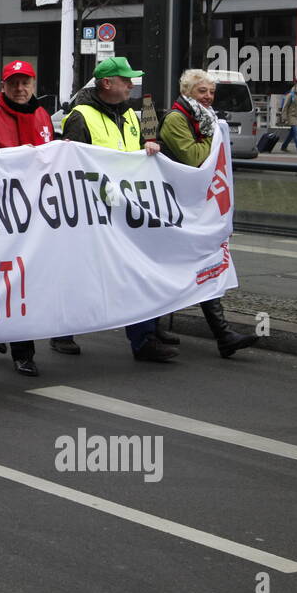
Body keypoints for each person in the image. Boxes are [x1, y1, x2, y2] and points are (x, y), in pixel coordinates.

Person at [62, 56, 176, 363]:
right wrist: (102, 192)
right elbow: (71, 169)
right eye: (125, 80)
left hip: (127, 210)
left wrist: (148, 150)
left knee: (136, 270)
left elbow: (133, 154)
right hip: (94, 212)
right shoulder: (80, 116)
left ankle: (145, 337)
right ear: (106, 83)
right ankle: (62, 328)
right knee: (84, 274)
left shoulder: (129, 115)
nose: (131, 84)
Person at [159, 69, 261, 359]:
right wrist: (213, 136)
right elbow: (193, 156)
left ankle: (223, 334)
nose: (209, 97)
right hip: (177, 207)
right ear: (188, 91)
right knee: (170, 268)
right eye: (203, 91)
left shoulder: (203, 118)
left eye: (211, 92)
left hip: (195, 207)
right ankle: (150, 329)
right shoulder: (178, 119)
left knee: (206, 262)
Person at [0, 60, 56, 376]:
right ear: (3, 87)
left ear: (33, 85)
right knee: (5, 278)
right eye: (14, 83)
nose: (20, 89)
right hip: (1, 213)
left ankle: (17, 343)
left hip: (37, 213)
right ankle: (7, 335)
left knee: (28, 280)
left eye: (26, 83)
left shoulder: (42, 115)